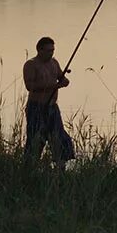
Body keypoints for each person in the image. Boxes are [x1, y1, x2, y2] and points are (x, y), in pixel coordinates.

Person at [23, 36, 75, 166]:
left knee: (60, 139)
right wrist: (53, 85)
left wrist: (64, 81)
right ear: (39, 50)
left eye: (52, 50)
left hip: (52, 108)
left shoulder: (54, 63)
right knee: (35, 140)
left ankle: (60, 169)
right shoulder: (31, 64)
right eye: (48, 50)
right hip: (36, 108)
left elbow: (60, 78)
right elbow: (30, 86)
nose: (51, 53)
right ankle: (29, 168)